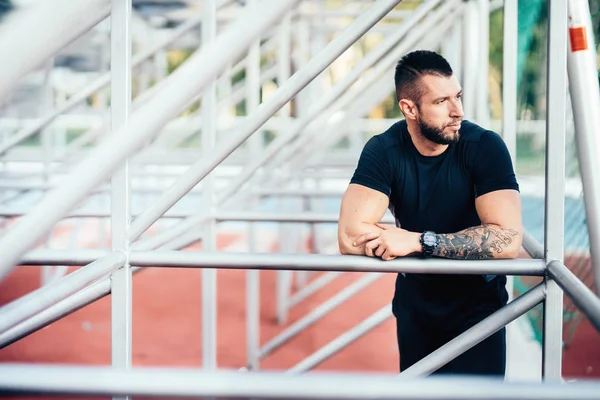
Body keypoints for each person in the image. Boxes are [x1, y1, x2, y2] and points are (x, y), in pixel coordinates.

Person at [337, 50, 522, 377]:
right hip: (416, 308)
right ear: (409, 108)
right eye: (441, 102)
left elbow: (507, 240)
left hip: (479, 310)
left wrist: (419, 241)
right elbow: (350, 236)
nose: (457, 111)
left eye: (458, 96)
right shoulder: (384, 150)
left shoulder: (484, 147)